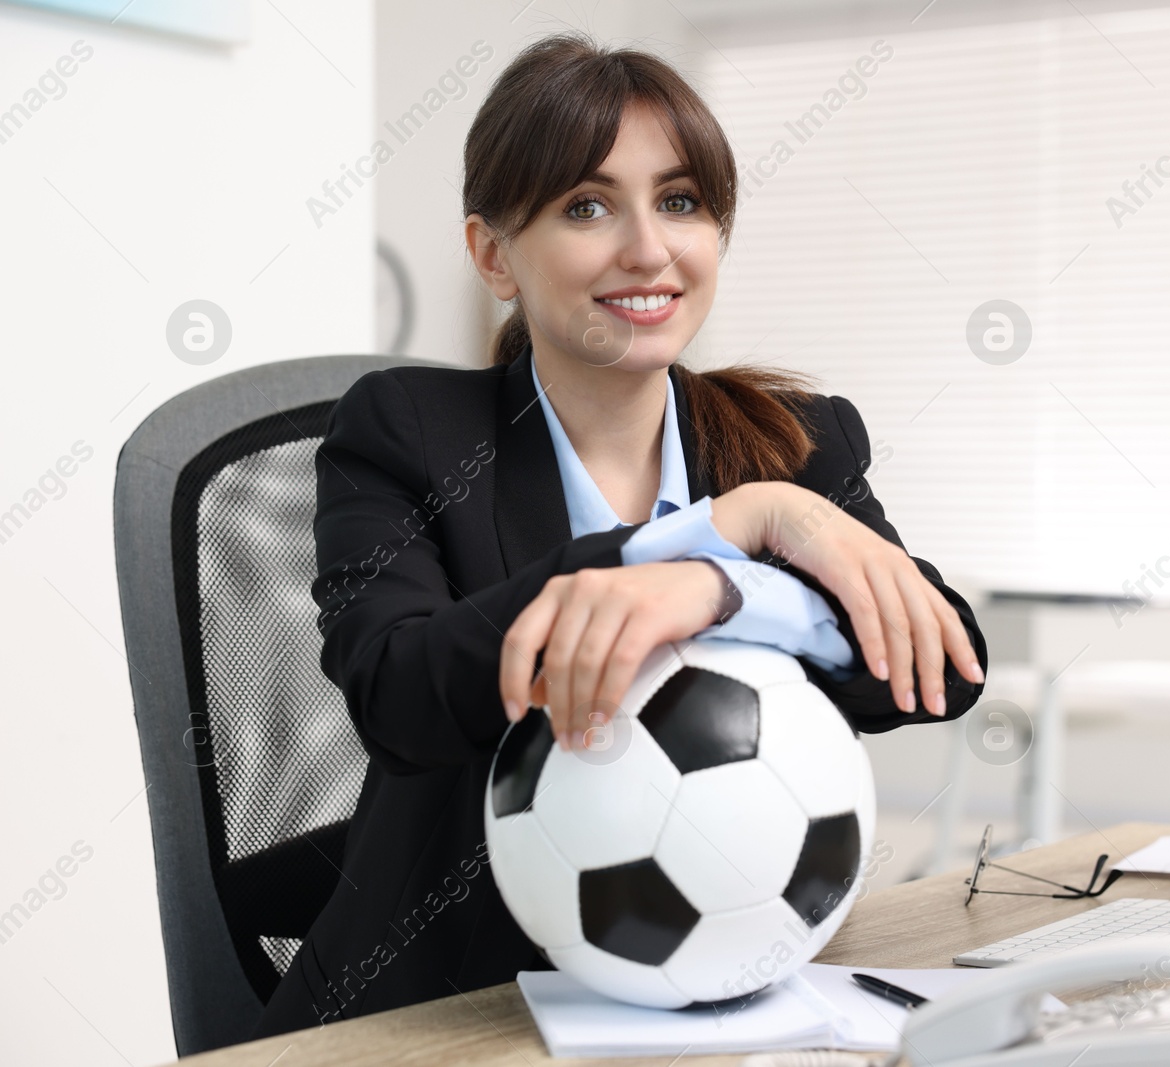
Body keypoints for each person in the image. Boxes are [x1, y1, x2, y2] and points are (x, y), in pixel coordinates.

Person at [253, 31, 987, 1037]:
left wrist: (723, 586)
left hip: (728, 989)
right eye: (586, 206)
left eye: (680, 201)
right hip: (452, 1008)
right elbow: (398, 688)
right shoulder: (409, 429)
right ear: (493, 254)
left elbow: (945, 666)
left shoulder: (797, 443)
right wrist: (711, 534)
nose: (648, 248)